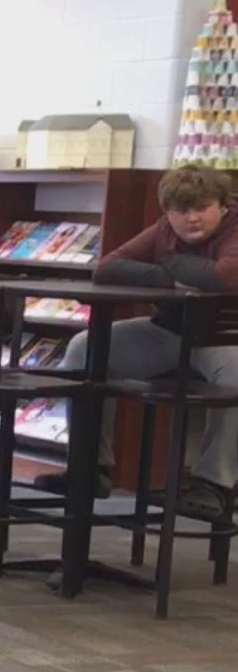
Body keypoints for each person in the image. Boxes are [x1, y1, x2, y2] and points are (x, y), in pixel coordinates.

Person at [35, 166, 238, 521]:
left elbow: (223, 278)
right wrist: (167, 274)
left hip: (225, 337)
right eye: (180, 211)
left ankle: (215, 484)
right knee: (85, 348)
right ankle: (90, 467)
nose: (191, 218)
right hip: (167, 329)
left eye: (201, 208)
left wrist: (171, 261)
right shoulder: (161, 230)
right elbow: (106, 267)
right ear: (167, 213)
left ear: (222, 206)